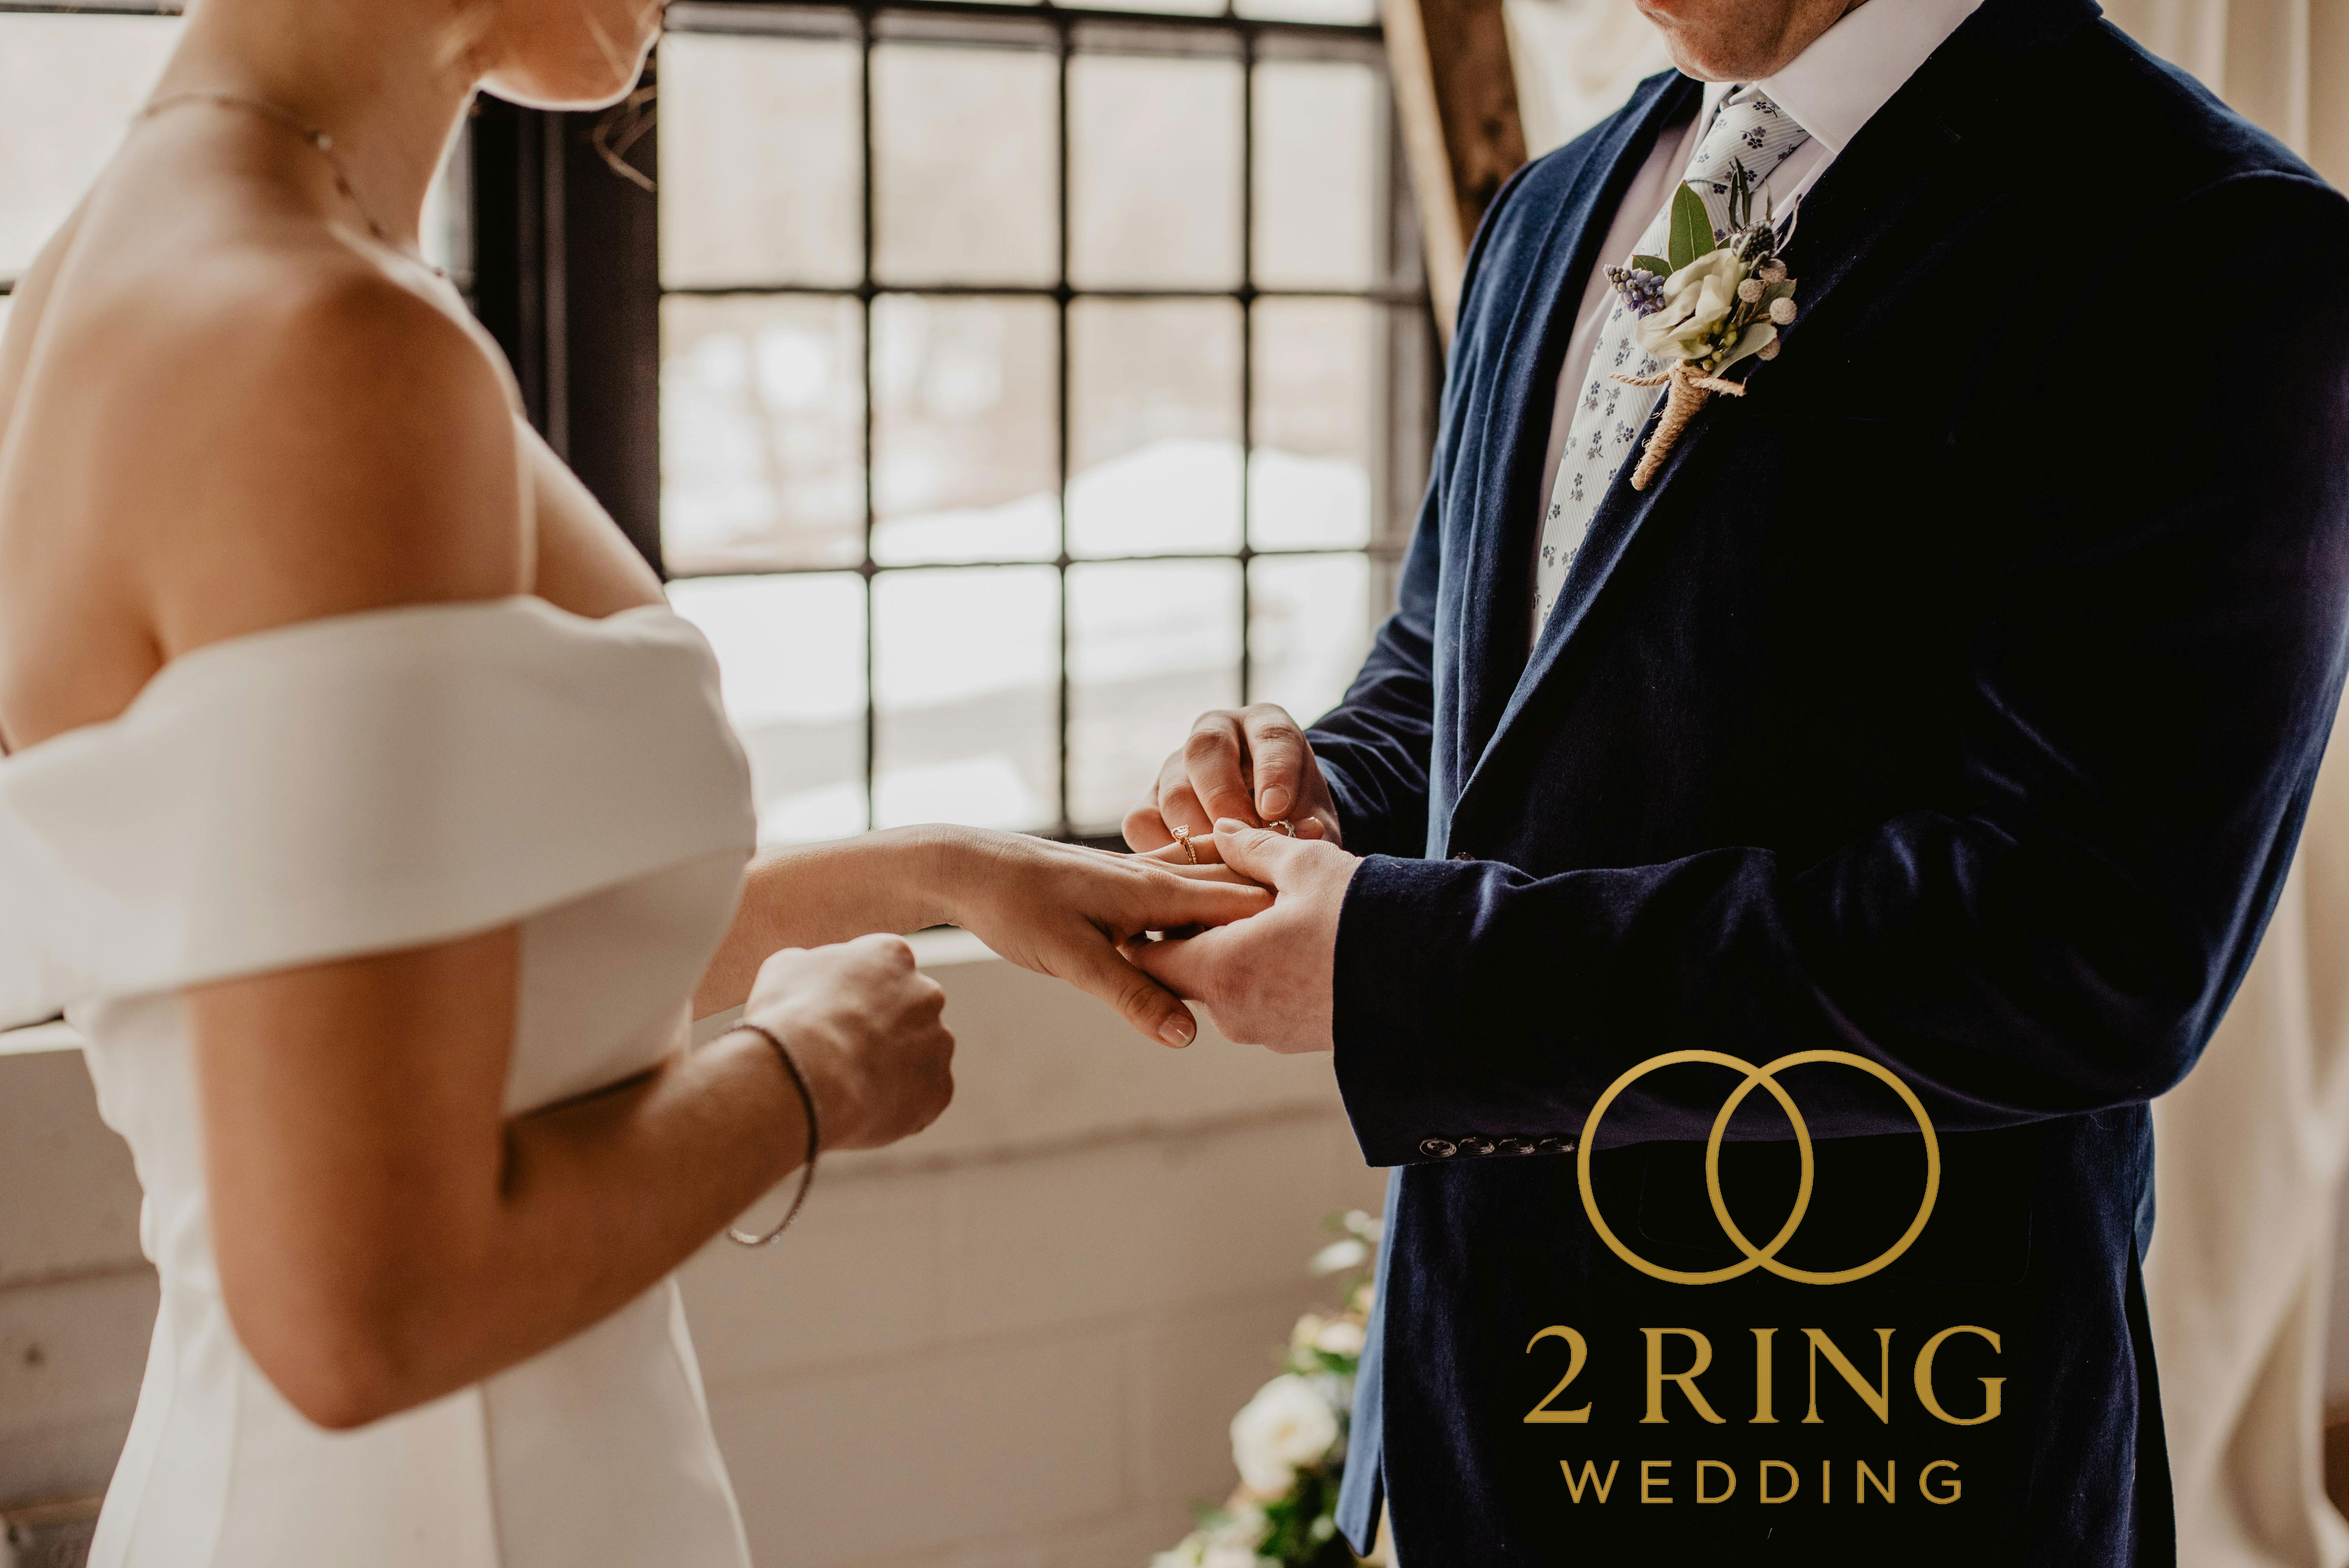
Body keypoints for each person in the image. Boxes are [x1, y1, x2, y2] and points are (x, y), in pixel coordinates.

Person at [0, 1, 1267, 1564]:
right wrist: (807, 1074)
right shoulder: (314, 346)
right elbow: (361, 1310)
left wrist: (942, 874)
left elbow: (453, 981)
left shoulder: (127, 271)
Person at [1122, 0, 2349, 1556]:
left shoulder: (2197, 239)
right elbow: (1462, 667)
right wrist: (1316, 792)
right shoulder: (1557, 204)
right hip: (1481, 1409)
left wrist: (1399, 967)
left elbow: (2083, 943)